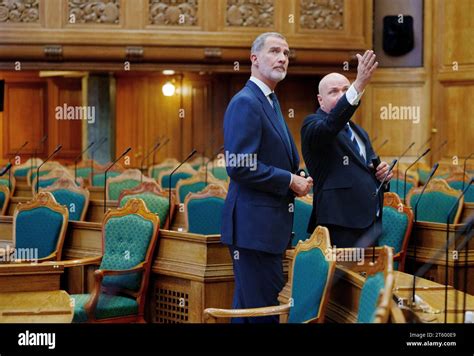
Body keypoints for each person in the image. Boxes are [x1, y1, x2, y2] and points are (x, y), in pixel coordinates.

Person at [221, 32, 313, 323]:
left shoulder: (269, 100)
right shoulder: (246, 101)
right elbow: (239, 165)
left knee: (248, 311)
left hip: (265, 229)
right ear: (254, 59)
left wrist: (298, 175)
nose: (283, 58)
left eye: (286, 53)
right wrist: (288, 180)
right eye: (275, 51)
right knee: (262, 313)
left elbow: (272, 157)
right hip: (253, 230)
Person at [301, 50, 393, 248]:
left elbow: (368, 171)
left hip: (371, 223)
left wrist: (382, 175)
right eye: (333, 92)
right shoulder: (312, 124)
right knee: (342, 279)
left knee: (368, 279)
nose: (341, 95)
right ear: (320, 100)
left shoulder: (359, 132)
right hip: (339, 224)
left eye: (345, 89)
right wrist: (358, 85)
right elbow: (331, 125)